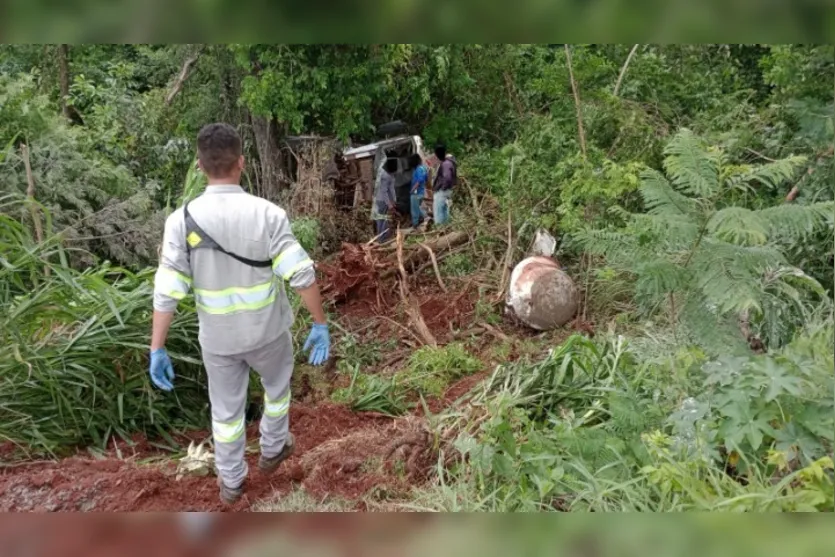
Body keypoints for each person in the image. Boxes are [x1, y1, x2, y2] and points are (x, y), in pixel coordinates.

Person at [149, 123, 331, 505]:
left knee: (227, 412)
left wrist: (157, 348)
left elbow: (167, 291)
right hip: (268, 332)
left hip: (218, 340)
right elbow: (300, 273)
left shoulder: (180, 222)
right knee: (277, 391)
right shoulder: (267, 214)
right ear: (241, 163)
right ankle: (272, 448)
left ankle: (231, 483)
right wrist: (319, 323)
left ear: (200, 166)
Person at [373, 158, 398, 241]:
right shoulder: (386, 175)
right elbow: (384, 191)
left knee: (380, 219)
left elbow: (390, 189)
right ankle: (383, 239)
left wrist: (393, 200)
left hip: (380, 199)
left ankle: (380, 238)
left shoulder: (384, 173)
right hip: (382, 201)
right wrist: (390, 204)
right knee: (385, 219)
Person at [432, 143, 457, 225]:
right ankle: (445, 231)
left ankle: (439, 231)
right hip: (447, 191)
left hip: (442, 192)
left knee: (439, 214)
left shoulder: (446, 163)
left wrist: (442, 188)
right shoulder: (449, 162)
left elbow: (447, 178)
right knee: (445, 213)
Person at [408, 153, 428, 228]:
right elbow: (425, 180)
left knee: (414, 210)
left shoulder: (418, 169)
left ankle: (415, 224)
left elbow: (419, 181)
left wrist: (412, 190)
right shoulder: (423, 168)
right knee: (417, 207)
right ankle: (424, 218)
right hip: (421, 192)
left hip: (416, 193)